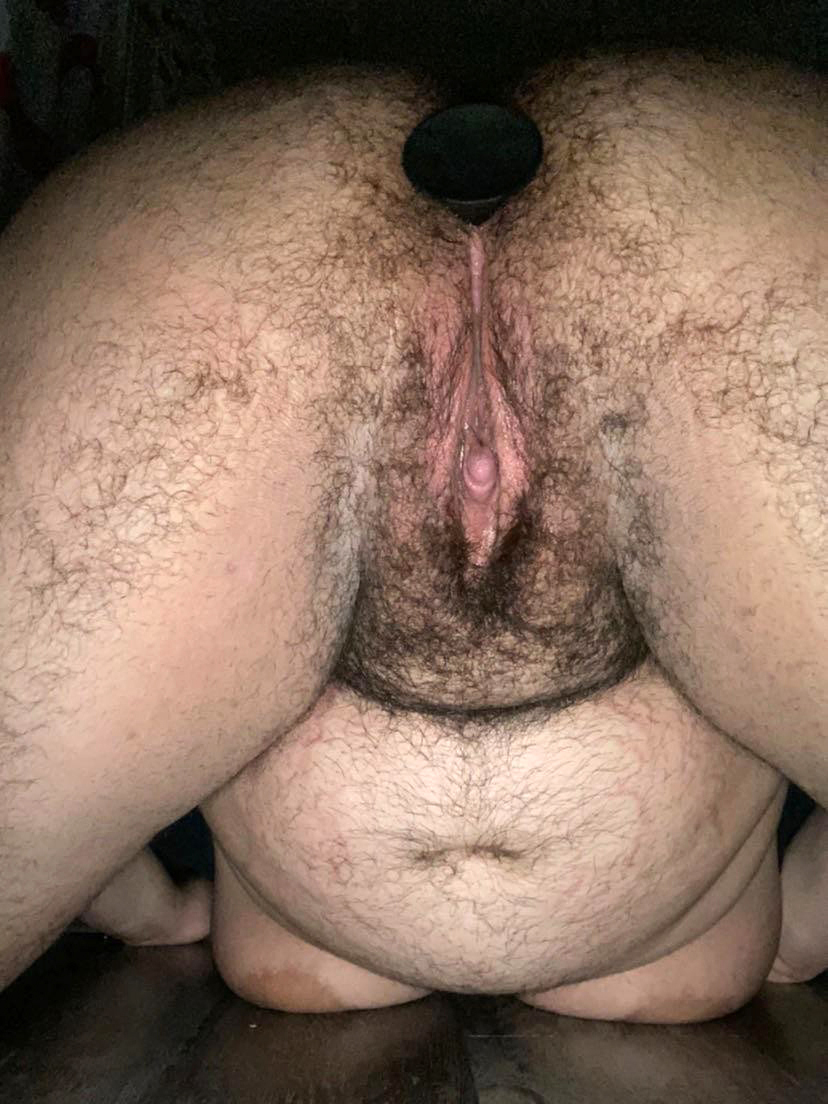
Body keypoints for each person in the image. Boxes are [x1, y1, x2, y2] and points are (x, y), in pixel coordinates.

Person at [0, 47, 825, 1021]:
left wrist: (154, 912)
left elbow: (78, 772)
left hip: (249, 255)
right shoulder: (730, 941)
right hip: (693, 223)